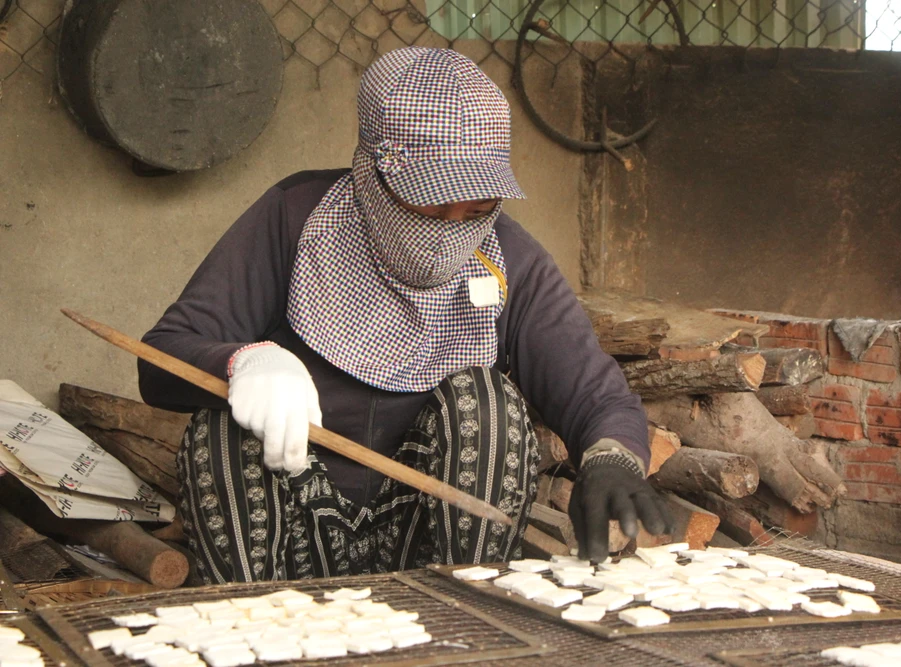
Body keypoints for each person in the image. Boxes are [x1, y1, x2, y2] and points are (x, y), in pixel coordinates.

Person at [138, 46, 671, 583]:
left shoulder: (513, 258)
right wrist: (242, 361)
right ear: (373, 171)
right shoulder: (296, 218)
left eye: (477, 209)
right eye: (431, 204)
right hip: (294, 517)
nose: (450, 229)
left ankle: (468, 607)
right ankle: (249, 617)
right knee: (223, 424)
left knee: (488, 403)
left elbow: (595, 394)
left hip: (431, 534)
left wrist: (611, 457)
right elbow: (160, 358)